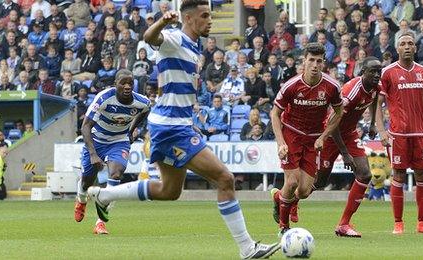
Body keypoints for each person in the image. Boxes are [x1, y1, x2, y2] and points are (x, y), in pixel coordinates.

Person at [86, 1, 280, 258]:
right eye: (205, 16)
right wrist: (163, 22)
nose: (210, 20)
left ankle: (106, 195)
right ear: (188, 19)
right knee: (225, 178)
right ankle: (247, 248)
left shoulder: (192, 45)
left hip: (175, 125)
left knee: (169, 191)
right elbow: (149, 36)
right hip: (171, 127)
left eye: (210, 15)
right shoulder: (174, 38)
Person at [269, 43, 344, 235]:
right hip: (291, 135)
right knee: (292, 182)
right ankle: (284, 228)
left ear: (324, 63)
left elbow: (339, 111)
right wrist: (281, 143)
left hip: (313, 139)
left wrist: (324, 136)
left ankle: (280, 197)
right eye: (311, 60)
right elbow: (275, 114)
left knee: (303, 191)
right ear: (304, 61)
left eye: (319, 61)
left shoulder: (332, 87)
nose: (315, 65)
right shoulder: (291, 86)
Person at [303, 57, 382, 237]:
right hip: (331, 134)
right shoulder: (351, 92)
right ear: (362, 71)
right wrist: (345, 153)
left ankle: (344, 224)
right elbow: (334, 122)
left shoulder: (376, 86)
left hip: (350, 133)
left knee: (364, 174)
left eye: (379, 71)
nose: (377, 75)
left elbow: (375, 97)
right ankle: (287, 201)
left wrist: (371, 124)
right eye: (373, 71)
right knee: (318, 182)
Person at [374, 33, 423, 234]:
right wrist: (382, 129)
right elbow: (377, 103)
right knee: (399, 175)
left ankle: (422, 223)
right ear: (398, 49)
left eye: (411, 43)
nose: (407, 46)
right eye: (403, 44)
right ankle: (398, 223)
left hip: (419, 133)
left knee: (422, 175)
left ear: (415, 47)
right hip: (398, 134)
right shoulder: (388, 72)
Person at [74, 70, 151, 235]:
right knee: (88, 181)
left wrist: (131, 130)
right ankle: (81, 199)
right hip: (97, 140)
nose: (127, 86)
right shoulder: (103, 98)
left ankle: (100, 222)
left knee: (115, 175)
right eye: (123, 83)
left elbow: (145, 112)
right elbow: (85, 126)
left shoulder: (141, 102)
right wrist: (94, 154)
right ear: (115, 83)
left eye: (130, 83)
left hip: (119, 141)